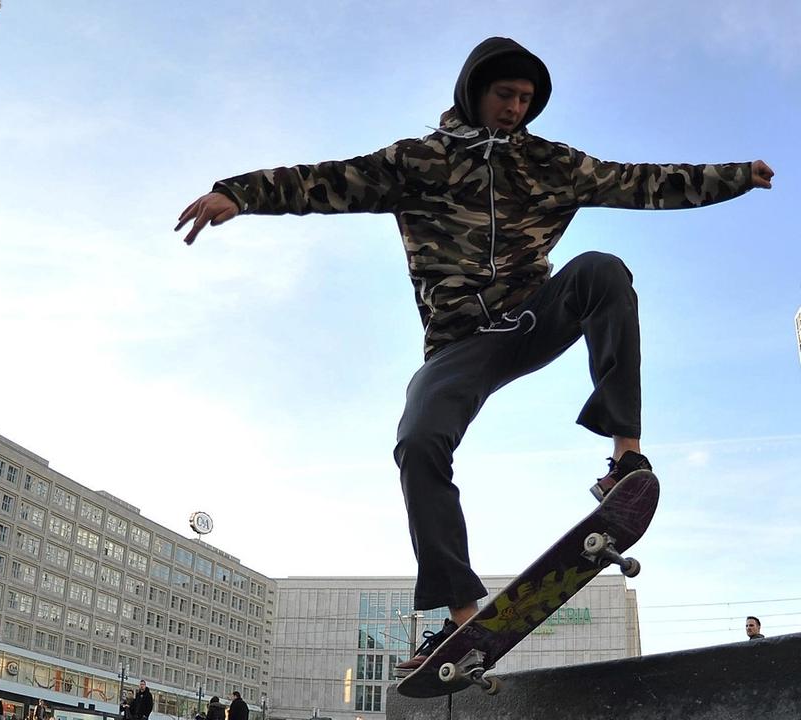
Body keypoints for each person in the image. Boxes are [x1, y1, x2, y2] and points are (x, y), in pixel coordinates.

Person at [175, 35, 775, 675]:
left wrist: (736, 177)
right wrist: (238, 192)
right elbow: (326, 182)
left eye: (525, 99)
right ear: (474, 92)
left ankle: (624, 459)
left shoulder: (549, 163)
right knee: (419, 441)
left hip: (530, 315)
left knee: (603, 271)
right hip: (458, 344)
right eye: (504, 95)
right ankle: (462, 615)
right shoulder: (417, 162)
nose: (515, 108)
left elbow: (644, 183)